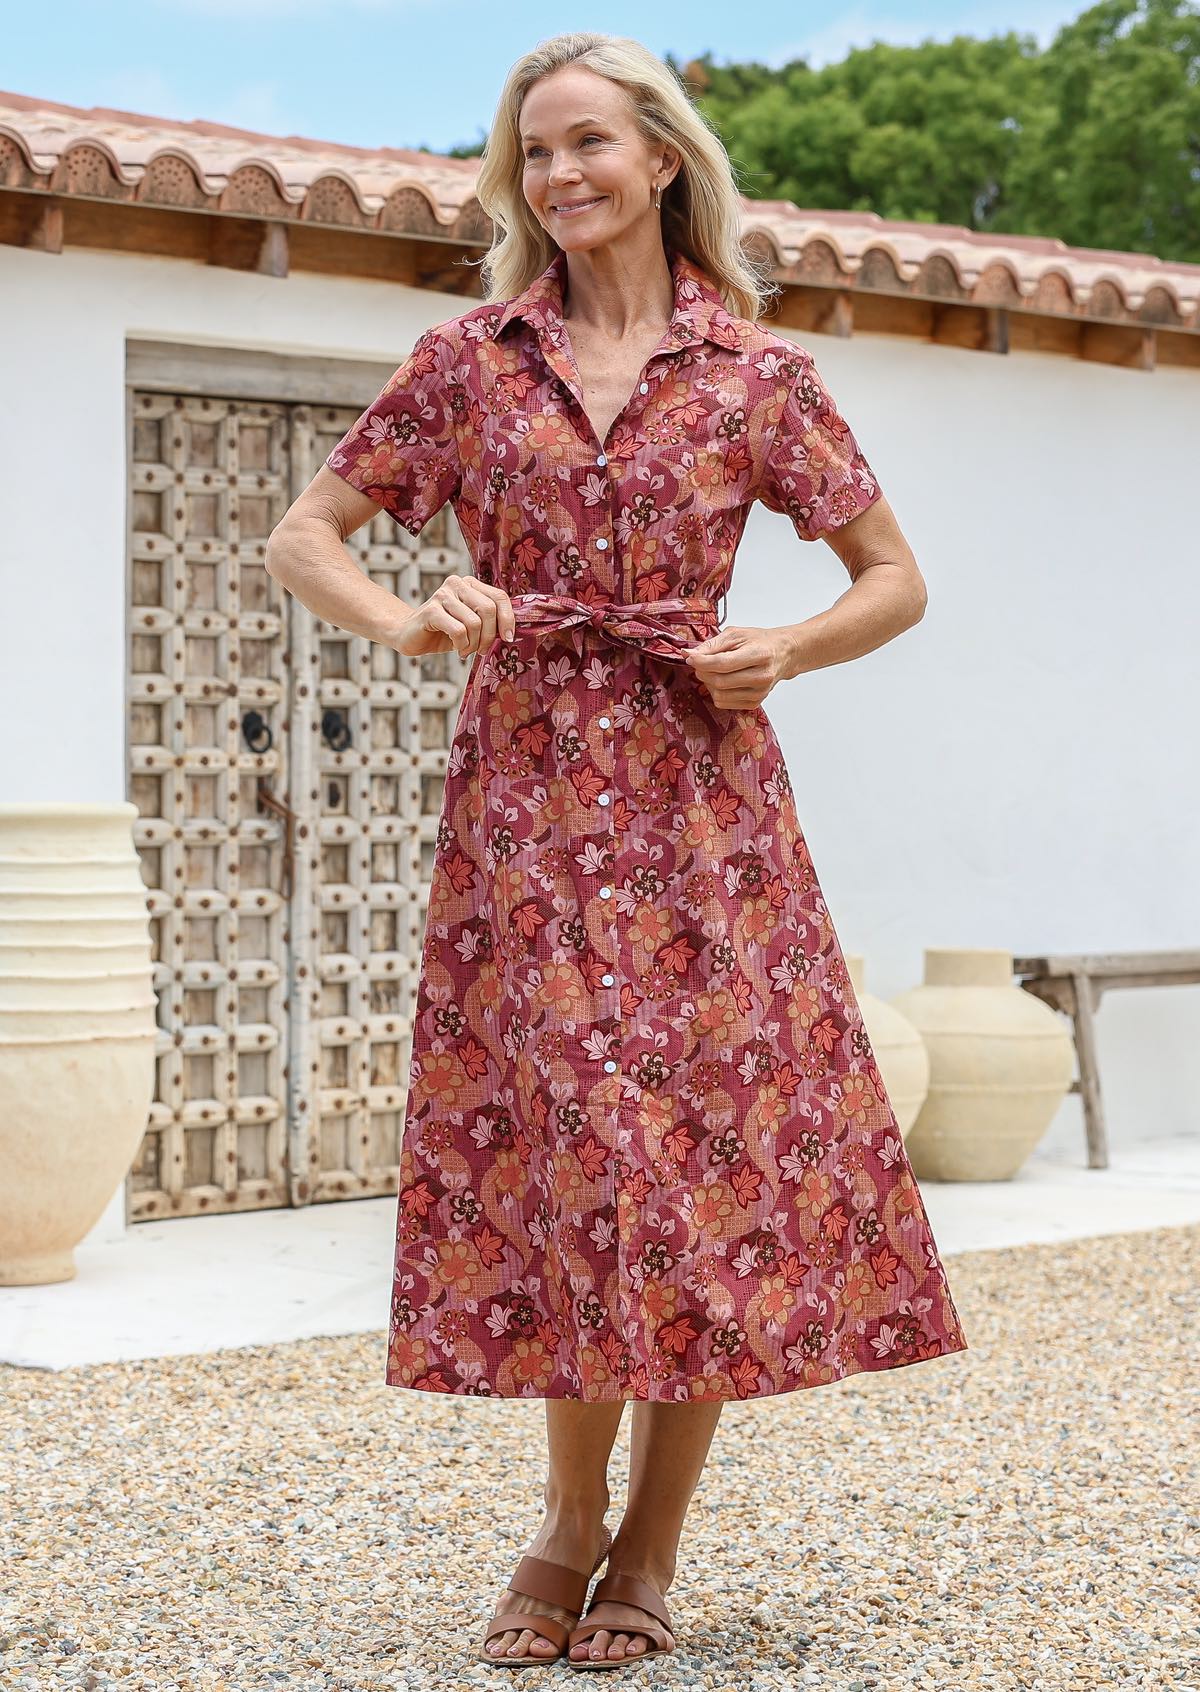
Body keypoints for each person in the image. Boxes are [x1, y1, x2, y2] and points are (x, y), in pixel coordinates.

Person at [266, 29, 969, 1674]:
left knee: (702, 1170)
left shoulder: (757, 378)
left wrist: (783, 646)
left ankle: (647, 1549)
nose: (560, 175)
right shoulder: (465, 362)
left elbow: (894, 579)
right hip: (524, 810)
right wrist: (409, 614)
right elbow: (310, 532)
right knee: (576, 1162)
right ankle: (565, 1524)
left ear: (662, 157)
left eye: (589, 143)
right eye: (534, 153)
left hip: (705, 813)